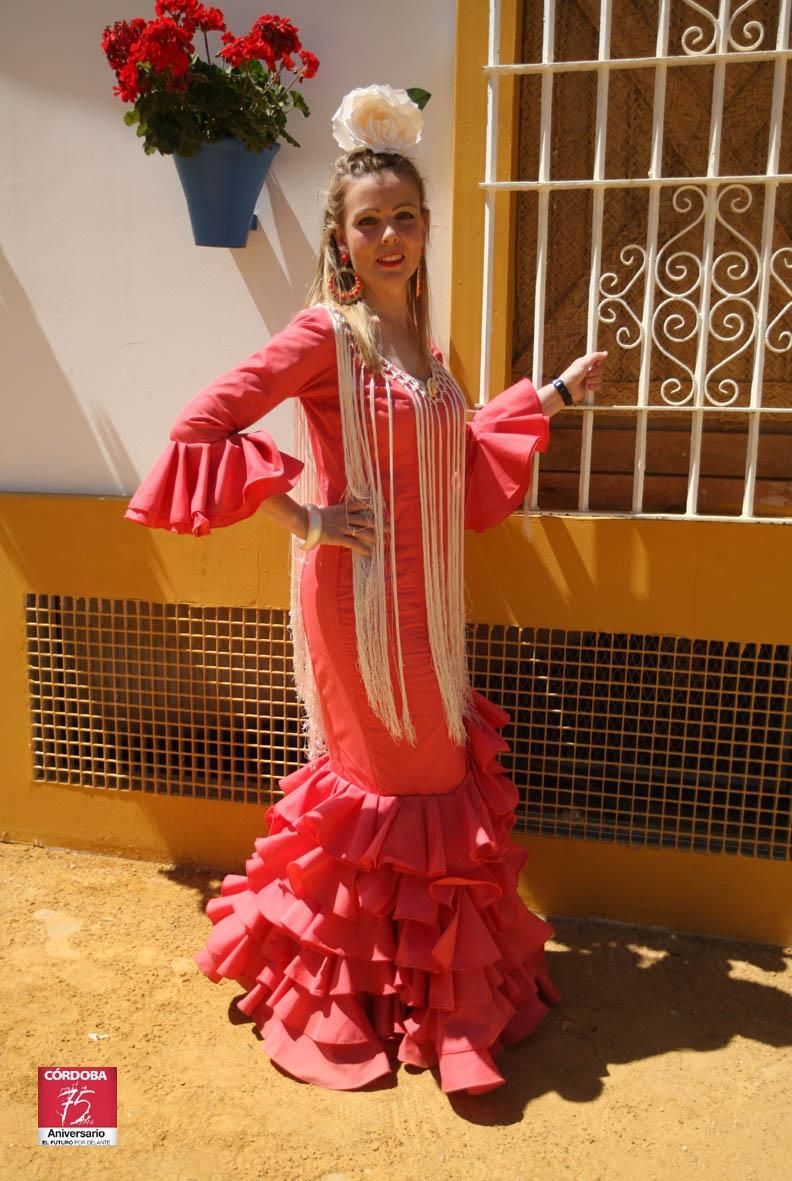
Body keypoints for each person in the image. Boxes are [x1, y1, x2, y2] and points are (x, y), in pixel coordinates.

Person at [125, 84, 606, 1096]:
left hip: (432, 608)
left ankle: (421, 996)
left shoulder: (424, 351)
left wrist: (555, 390)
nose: (388, 236)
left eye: (404, 218)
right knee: (404, 791)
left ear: (426, 230)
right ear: (342, 238)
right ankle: (368, 1001)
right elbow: (197, 428)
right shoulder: (323, 334)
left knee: (431, 784)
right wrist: (302, 519)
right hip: (359, 606)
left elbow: (460, 459)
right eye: (368, 221)